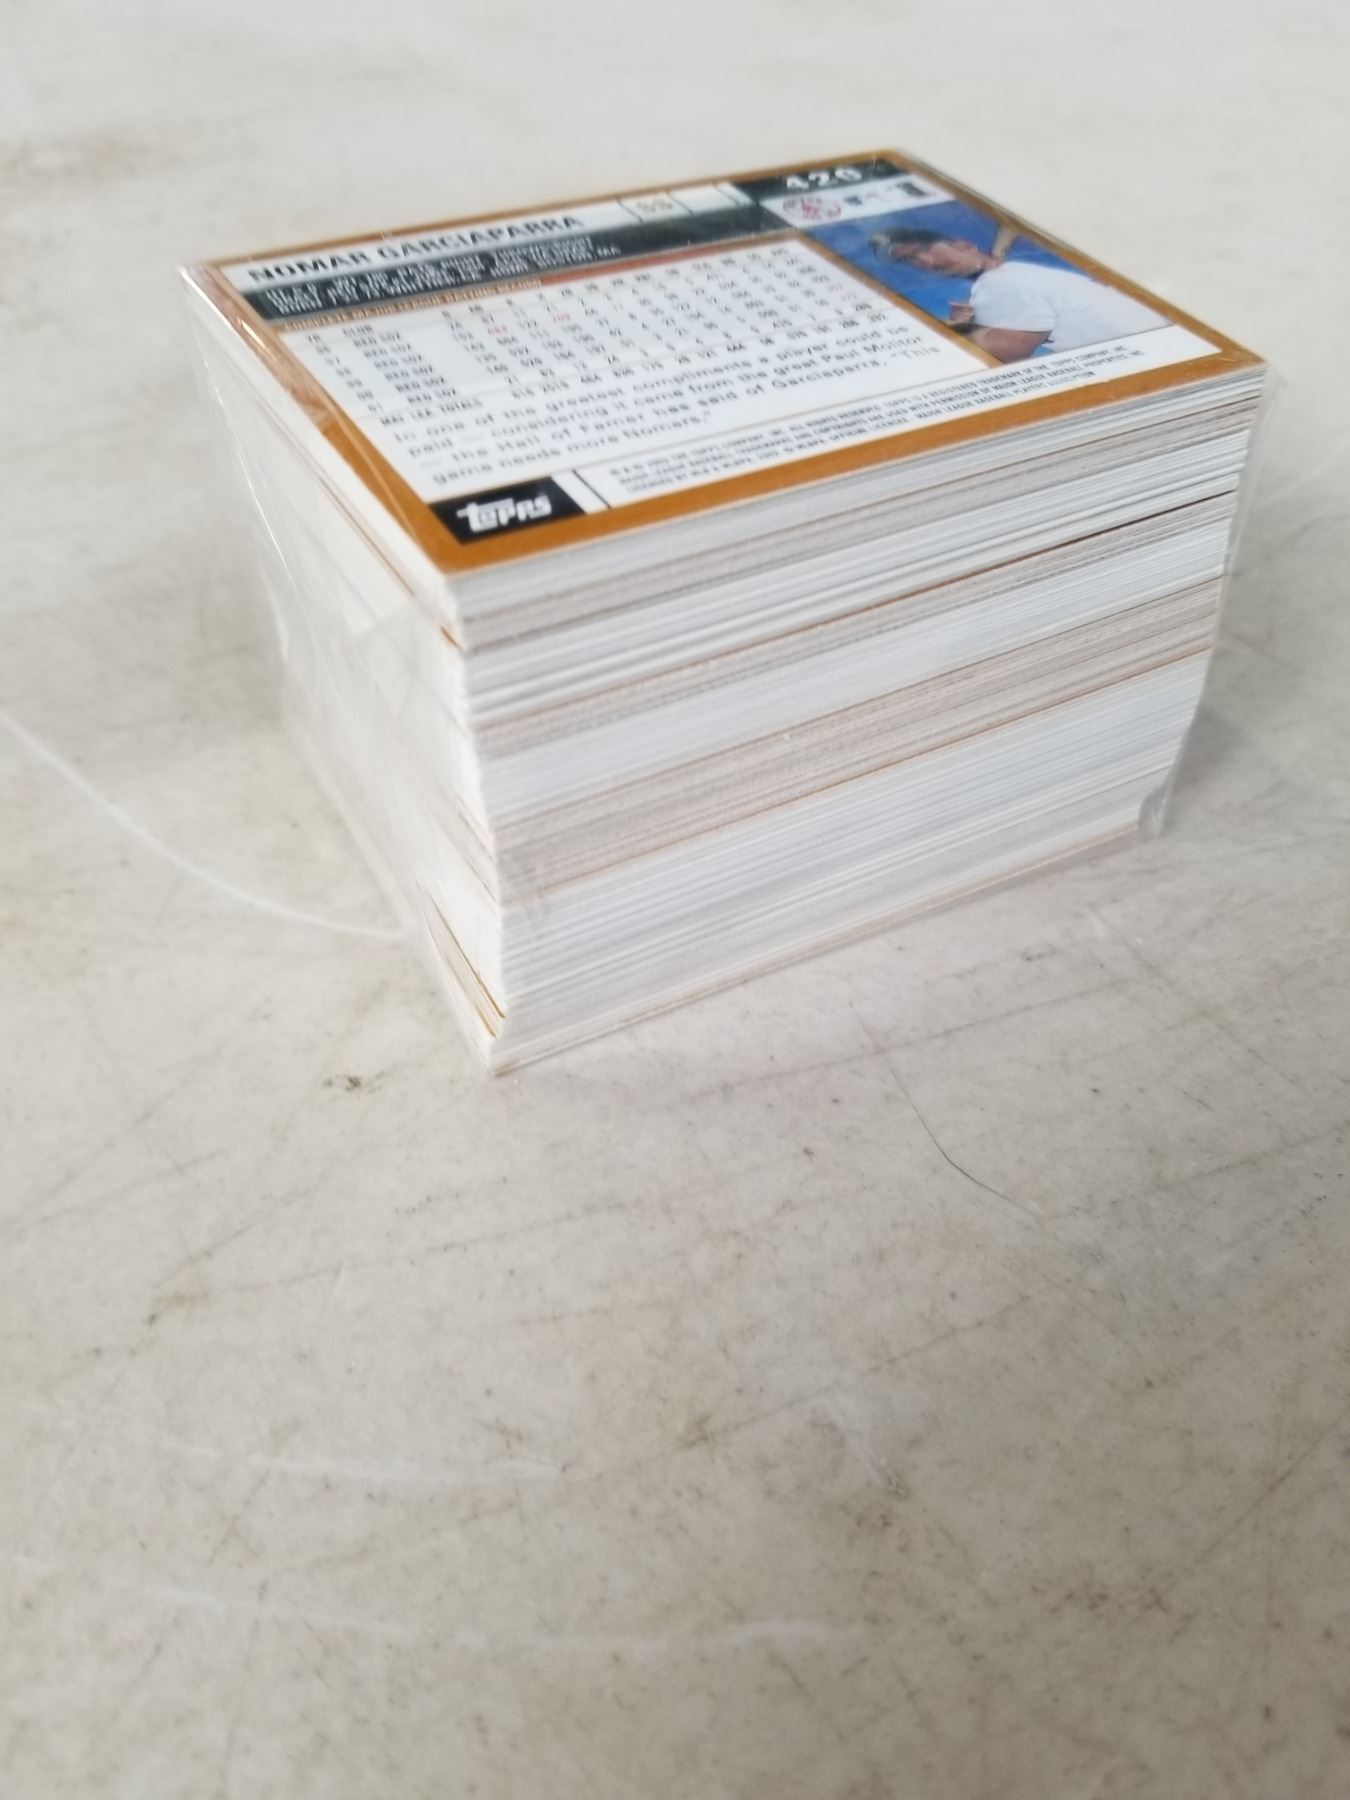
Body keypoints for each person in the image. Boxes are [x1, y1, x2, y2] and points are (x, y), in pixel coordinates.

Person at [868, 226, 1164, 362]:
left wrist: (956, 330)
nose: (924, 262)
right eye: (911, 260)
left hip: (1152, 359)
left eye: (923, 249)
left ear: (964, 245)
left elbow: (1008, 351)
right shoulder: (1017, 273)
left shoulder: (996, 282)